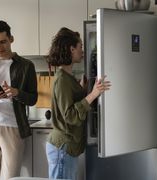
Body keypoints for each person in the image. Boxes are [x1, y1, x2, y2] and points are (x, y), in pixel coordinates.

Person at [45, 27, 111, 180]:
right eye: (80, 46)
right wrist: (93, 94)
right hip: (62, 147)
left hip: (66, 147)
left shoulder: (68, 77)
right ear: (71, 49)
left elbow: (71, 102)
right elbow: (69, 115)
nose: (83, 51)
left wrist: (82, 90)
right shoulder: (62, 79)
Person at [0, 20, 38, 180]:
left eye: (3, 42)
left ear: (11, 39)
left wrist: (17, 92)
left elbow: (33, 99)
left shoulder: (26, 66)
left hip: (13, 126)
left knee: (10, 177)